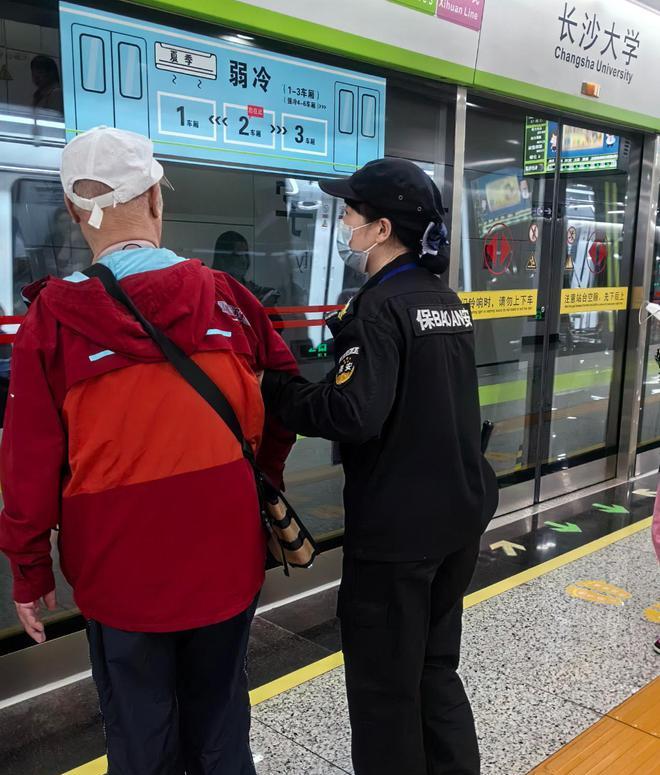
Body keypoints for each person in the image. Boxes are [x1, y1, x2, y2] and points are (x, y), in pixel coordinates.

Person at [0, 126, 297, 774]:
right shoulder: (229, 299)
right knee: (220, 728)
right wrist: (261, 474)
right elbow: (285, 398)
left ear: (75, 212)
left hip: (119, 574)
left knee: (140, 738)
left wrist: (29, 569)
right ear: (157, 198)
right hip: (226, 557)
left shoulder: (50, 323)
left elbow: (27, 466)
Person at [260, 158, 498, 775]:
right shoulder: (443, 300)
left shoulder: (378, 308)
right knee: (433, 669)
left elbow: (353, 412)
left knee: (383, 690)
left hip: (398, 535)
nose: (344, 224)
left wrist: (277, 391)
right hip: (457, 516)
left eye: (350, 214)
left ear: (381, 228)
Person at [213, 230, 281, 306]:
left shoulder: (257, 292)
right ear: (222, 258)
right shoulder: (211, 289)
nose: (244, 260)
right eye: (238, 255)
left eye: (246, 254)